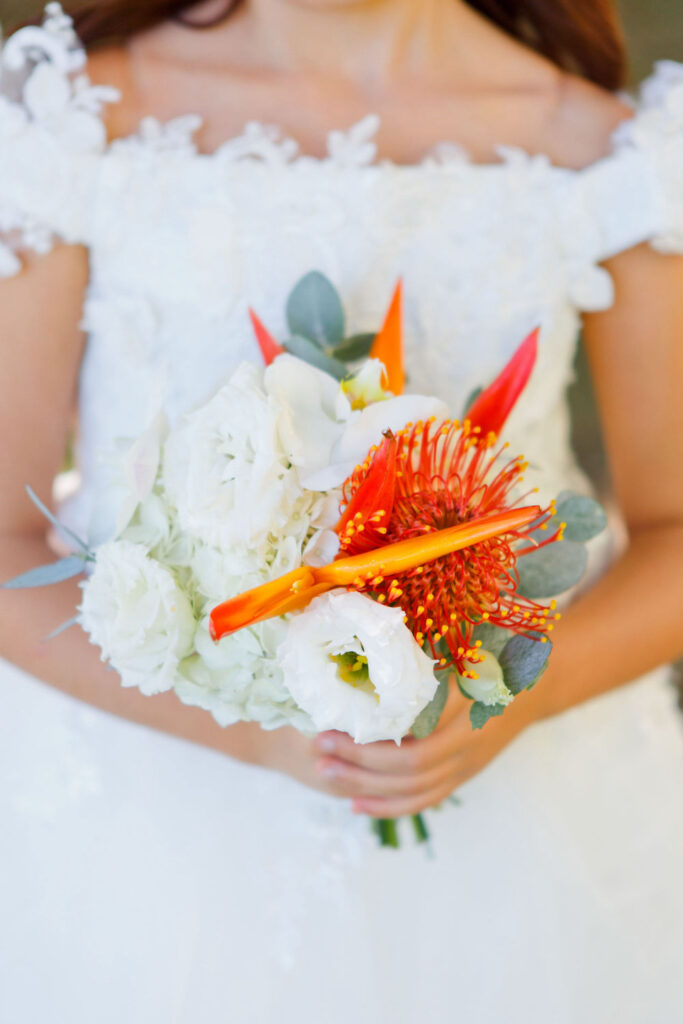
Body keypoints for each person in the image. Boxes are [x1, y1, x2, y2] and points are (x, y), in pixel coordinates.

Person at [0, 1, 681, 1021]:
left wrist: (513, 702)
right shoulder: (75, 120)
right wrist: (260, 739)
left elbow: (670, 533)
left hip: (506, 821)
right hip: (140, 818)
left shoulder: (601, 151)